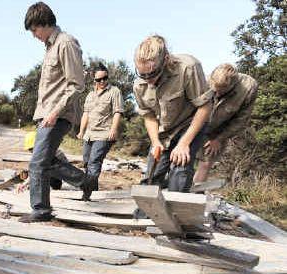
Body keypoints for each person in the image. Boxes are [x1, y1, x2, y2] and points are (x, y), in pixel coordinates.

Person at [19, 2, 89, 223]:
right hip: (47, 113)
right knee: (45, 160)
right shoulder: (50, 46)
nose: (33, 35)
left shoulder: (65, 43)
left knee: (37, 162)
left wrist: (55, 112)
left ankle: (41, 210)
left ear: (44, 23)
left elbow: (77, 84)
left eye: (34, 30)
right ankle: (86, 182)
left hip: (57, 115)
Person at [133, 35, 210, 192]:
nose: (148, 80)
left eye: (152, 74)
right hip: (164, 129)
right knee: (152, 175)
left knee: (179, 172)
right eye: (143, 75)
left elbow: (205, 107)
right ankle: (145, 214)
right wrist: (155, 142)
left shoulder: (188, 68)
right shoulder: (139, 85)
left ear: (166, 59)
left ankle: (176, 212)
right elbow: (148, 115)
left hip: (190, 123)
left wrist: (184, 143)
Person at [193, 63, 258, 183]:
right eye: (214, 90)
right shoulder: (204, 81)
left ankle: (194, 196)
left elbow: (241, 120)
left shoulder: (248, 88)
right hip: (195, 124)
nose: (216, 94)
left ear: (232, 85)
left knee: (206, 163)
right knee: (182, 159)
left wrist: (219, 139)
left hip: (219, 130)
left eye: (221, 91)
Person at [76, 63, 123, 200]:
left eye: (105, 78)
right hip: (89, 134)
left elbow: (117, 112)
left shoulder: (114, 91)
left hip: (104, 133)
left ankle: (87, 193)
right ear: (93, 80)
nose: (102, 81)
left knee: (94, 162)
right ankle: (93, 191)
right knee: (86, 162)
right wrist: (81, 131)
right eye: (99, 79)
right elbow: (86, 114)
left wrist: (113, 129)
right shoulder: (90, 95)